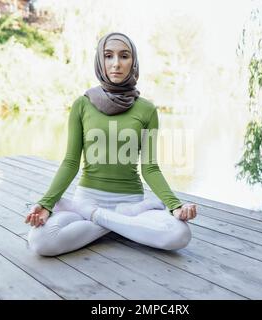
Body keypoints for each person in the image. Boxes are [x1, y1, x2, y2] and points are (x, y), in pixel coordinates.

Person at [25, 32, 197, 256]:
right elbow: (70, 162)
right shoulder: (82, 105)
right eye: (108, 56)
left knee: (179, 234)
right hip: (89, 198)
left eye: (124, 56)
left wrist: (175, 205)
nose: (116, 63)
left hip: (127, 200)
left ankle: (98, 217)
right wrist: (46, 203)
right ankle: (121, 223)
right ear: (100, 61)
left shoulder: (146, 110)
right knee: (40, 241)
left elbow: (150, 167)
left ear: (133, 62)